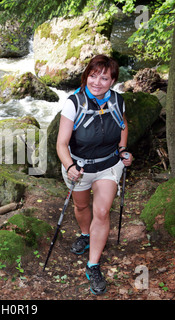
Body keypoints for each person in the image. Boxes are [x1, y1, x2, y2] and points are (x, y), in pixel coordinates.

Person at [56, 54, 133, 295]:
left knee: (101, 211)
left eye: (104, 77)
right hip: (78, 167)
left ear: (112, 81)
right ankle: (85, 234)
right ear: (86, 76)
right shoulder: (74, 103)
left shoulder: (118, 101)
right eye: (93, 75)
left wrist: (122, 150)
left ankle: (93, 265)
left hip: (108, 166)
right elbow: (61, 143)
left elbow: (123, 125)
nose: (97, 82)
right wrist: (69, 166)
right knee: (81, 208)